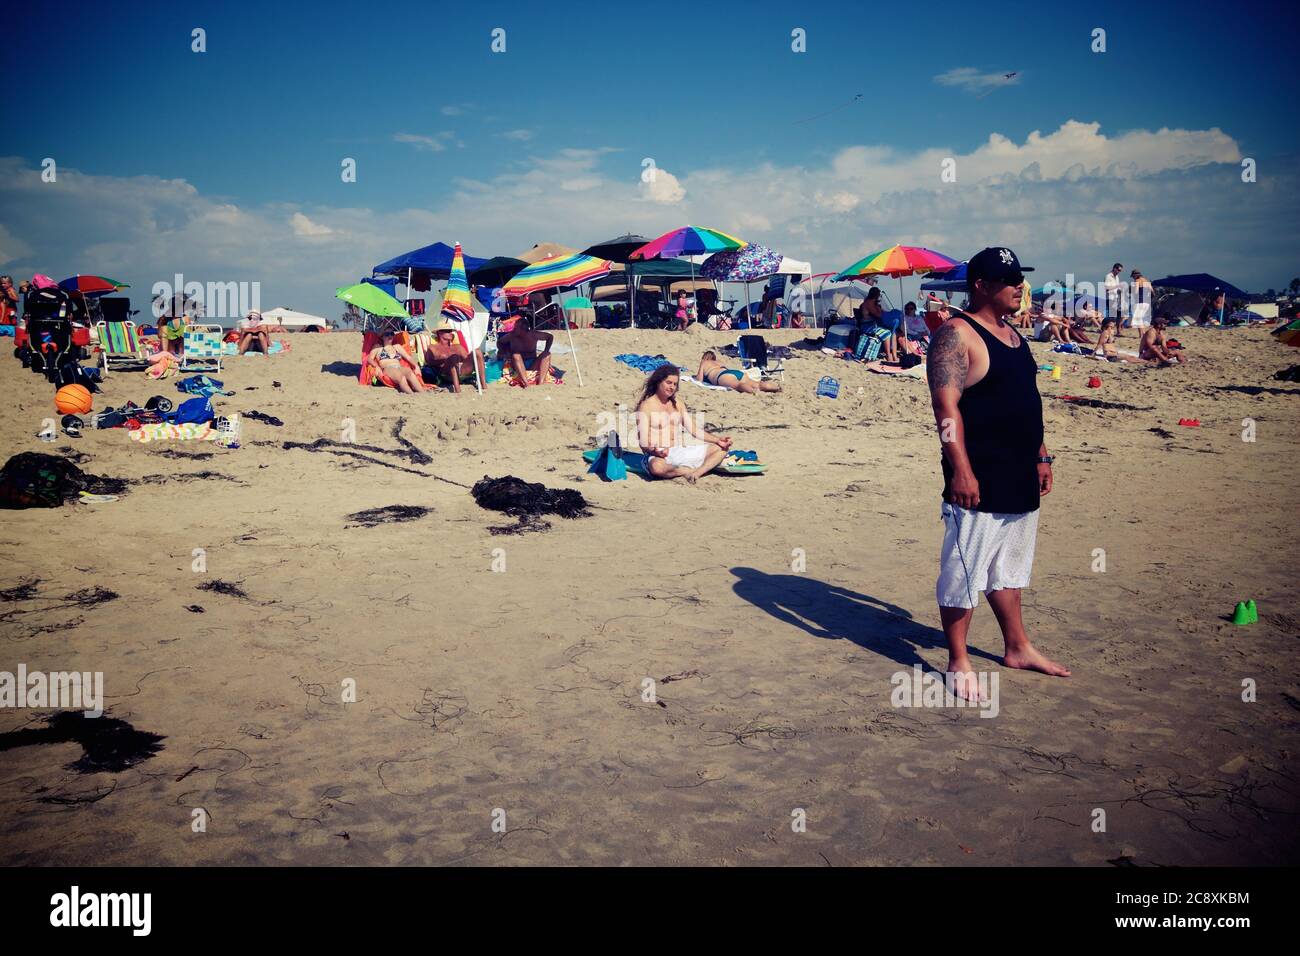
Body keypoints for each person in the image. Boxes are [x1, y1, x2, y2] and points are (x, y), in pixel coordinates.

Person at [926, 246, 1071, 701]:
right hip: (979, 474)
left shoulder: (1013, 335)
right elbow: (945, 408)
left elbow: (1027, 401)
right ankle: (958, 660)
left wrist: (1041, 455)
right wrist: (961, 470)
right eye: (1008, 281)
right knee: (964, 569)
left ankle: (1017, 646)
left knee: (1009, 568)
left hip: (1020, 471)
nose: (1018, 288)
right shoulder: (956, 335)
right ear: (981, 286)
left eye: (1019, 280)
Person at [635, 364, 732, 483]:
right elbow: (643, 442)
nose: (672, 387)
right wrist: (654, 450)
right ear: (658, 382)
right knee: (656, 468)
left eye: (675, 384)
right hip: (657, 455)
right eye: (668, 382)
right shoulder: (646, 406)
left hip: (678, 451)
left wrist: (717, 440)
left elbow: (694, 430)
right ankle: (687, 471)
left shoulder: (678, 404)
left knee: (721, 449)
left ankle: (697, 472)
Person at [427, 320, 485, 393]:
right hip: (446, 374)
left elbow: (466, 359)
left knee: (477, 352)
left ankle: (484, 386)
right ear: (439, 333)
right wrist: (445, 359)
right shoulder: (433, 347)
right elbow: (430, 362)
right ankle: (457, 390)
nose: (451, 333)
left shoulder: (457, 347)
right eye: (447, 331)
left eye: (451, 331)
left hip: (462, 372)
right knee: (453, 357)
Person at [366, 329, 428, 393]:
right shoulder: (378, 347)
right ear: (382, 336)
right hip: (388, 369)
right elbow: (369, 359)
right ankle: (411, 394)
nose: (390, 336)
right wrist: (377, 367)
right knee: (401, 377)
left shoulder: (397, 347)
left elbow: (408, 357)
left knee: (409, 372)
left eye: (392, 334)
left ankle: (422, 393)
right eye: (387, 334)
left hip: (399, 367)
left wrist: (416, 366)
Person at [697, 350, 782, 394]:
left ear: (704, 357)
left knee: (738, 385)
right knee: (757, 384)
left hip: (723, 376)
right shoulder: (719, 362)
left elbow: (699, 380)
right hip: (734, 372)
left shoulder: (704, 362)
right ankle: (776, 388)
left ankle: (753, 392)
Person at [498, 320, 553, 387]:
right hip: (517, 365)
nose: (514, 329)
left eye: (516, 327)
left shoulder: (533, 335)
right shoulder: (512, 335)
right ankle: (526, 383)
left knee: (547, 354)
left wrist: (546, 350)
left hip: (532, 363)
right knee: (516, 355)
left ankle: (541, 383)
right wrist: (504, 352)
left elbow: (550, 337)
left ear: (523, 329)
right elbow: (500, 342)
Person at [1104, 262, 1125, 328]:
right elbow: (1106, 288)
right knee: (1113, 315)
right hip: (1110, 298)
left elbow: (1117, 288)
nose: (1119, 272)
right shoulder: (1108, 276)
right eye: (1118, 270)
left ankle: (1117, 329)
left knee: (1120, 314)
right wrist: (1117, 286)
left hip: (1116, 297)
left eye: (1120, 271)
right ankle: (1105, 327)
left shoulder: (1117, 277)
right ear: (1114, 268)